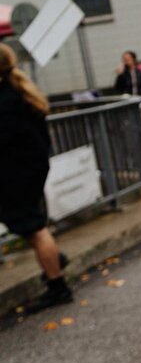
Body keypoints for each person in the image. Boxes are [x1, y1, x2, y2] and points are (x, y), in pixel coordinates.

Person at [0, 43, 73, 314]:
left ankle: (58, 286)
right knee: (30, 225)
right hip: (28, 170)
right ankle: (55, 260)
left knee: (33, 228)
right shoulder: (19, 92)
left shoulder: (7, 101)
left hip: (16, 174)